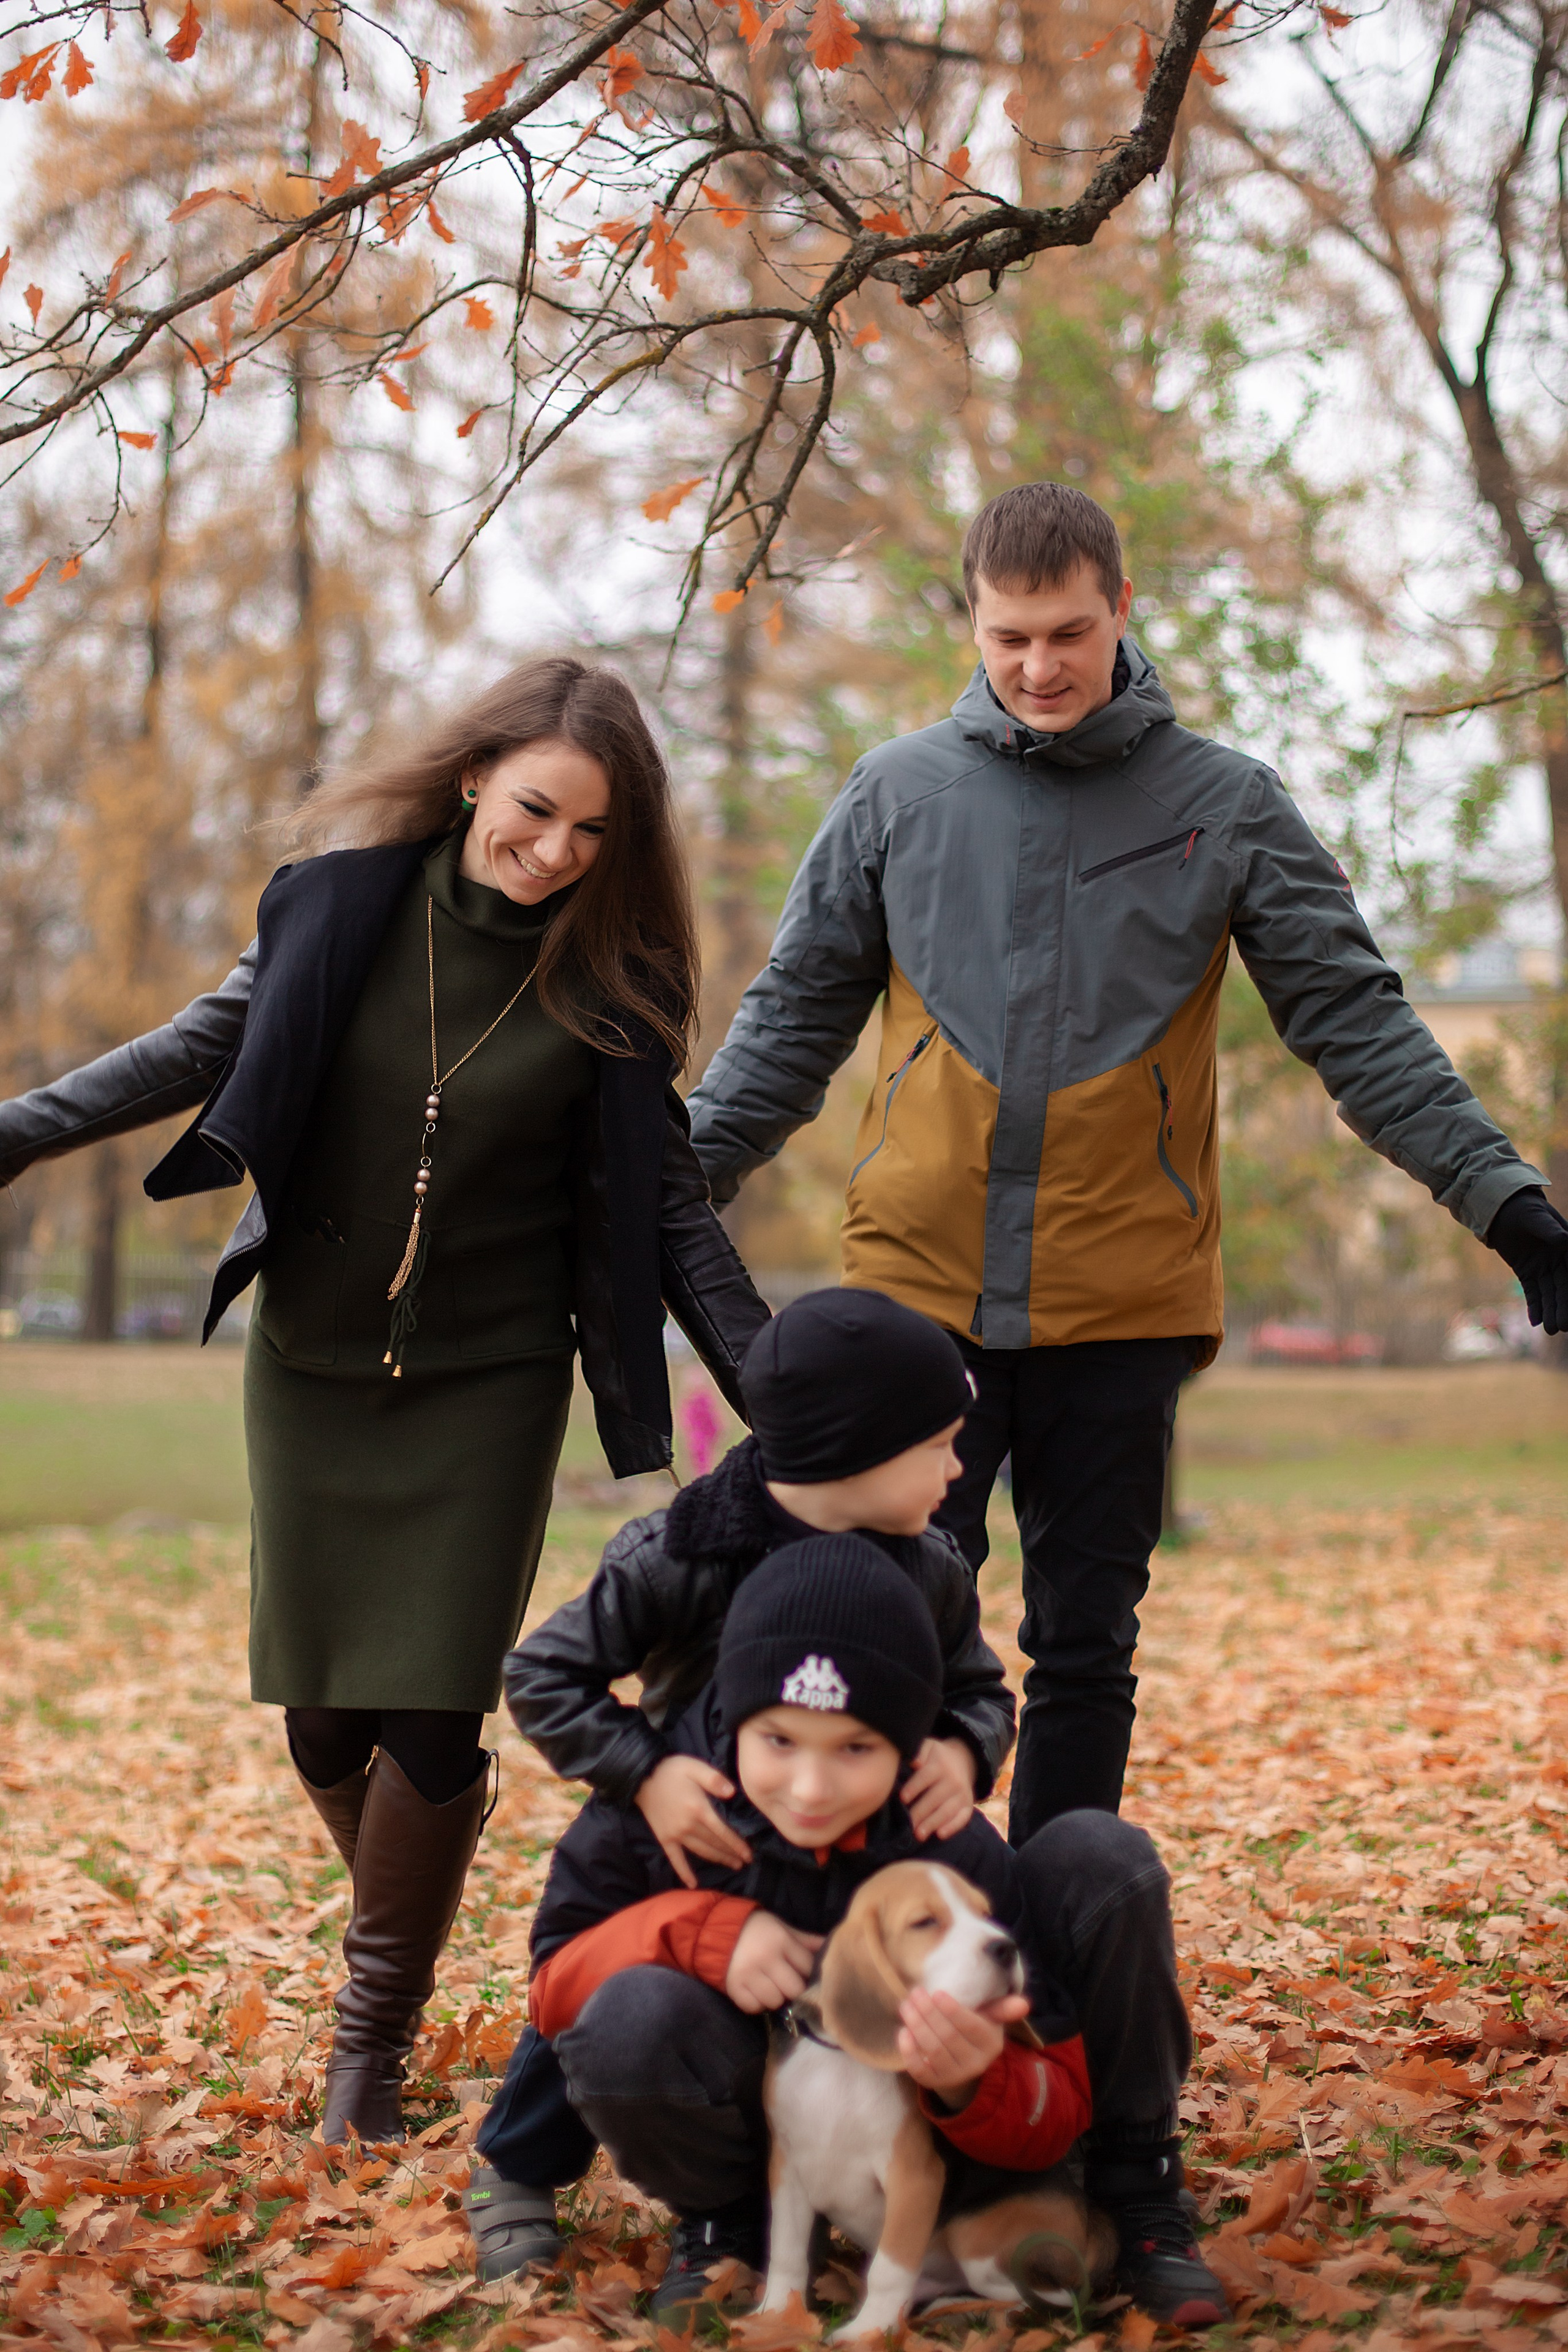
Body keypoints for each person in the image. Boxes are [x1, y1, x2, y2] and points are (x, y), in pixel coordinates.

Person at [684, 480, 1568, 1847]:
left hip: (1125, 1293)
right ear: (971, 624)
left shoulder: (1222, 804)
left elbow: (1356, 1022)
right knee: (895, 1612)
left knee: (1084, 1634)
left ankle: (1051, 1934)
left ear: (1120, 613)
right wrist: (670, 1188)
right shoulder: (894, 795)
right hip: (919, 1293)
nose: (1039, 667)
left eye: (1067, 634)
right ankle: (900, 1925)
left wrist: (1502, 1202)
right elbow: (789, 1022)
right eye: (1008, 638)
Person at [0, 655, 769, 2144]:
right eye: (535, 810)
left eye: (590, 835)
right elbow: (196, 1049)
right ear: (478, 774)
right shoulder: (341, 906)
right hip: (312, 1370)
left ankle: (373, 2042)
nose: (549, 852)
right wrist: (20, 1134)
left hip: (487, 1383)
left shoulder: (610, 984)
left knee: (427, 1718)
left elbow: (673, 1221)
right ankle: (416, 1919)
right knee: (317, 1723)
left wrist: (792, 1410)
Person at [478, 1536, 1225, 2328]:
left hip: (949, 2164)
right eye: (778, 1740)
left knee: (1107, 1855)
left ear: (909, 1744)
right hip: (764, 2111)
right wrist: (694, 1931)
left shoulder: (948, 1845)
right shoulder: (656, 1811)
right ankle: (724, 2221)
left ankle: (1132, 2194)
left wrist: (976, 2082)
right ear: (734, 1716)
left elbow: (1056, 2098)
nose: (810, 1787)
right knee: (628, 2017)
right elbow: (554, 1994)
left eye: (857, 1749)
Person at [466, 1286, 1015, 2271]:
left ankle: (755, 2193)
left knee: (794, 2006)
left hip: (846, 1832)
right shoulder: (681, 1552)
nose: (959, 1466)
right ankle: (517, 2163)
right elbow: (543, 1673)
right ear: (858, 1453)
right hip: (690, 1828)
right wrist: (645, 1773)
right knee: (610, 1973)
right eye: (940, 1444)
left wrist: (964, 1749)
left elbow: (982, 1688)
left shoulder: (930, 1568)